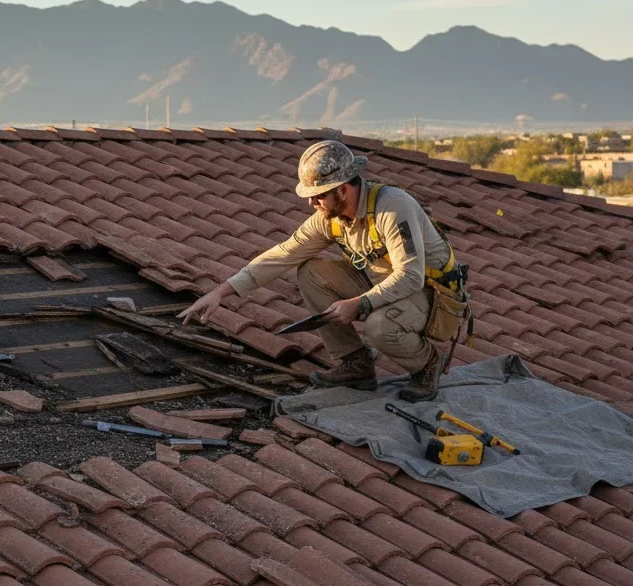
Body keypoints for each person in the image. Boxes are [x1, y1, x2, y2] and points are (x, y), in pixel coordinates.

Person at [179, 140, 469, 402]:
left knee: (379, 326)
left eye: (318, 196)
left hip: (430, 294)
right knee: (311, 272)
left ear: (343, 188)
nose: (311, 203)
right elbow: (283, 254)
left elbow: (410, 276)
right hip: (384, 283)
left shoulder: (393, 208)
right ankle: (355, 363)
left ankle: (427, 363)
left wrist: (359, 304)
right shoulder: (329, 217)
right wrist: (221, 291)